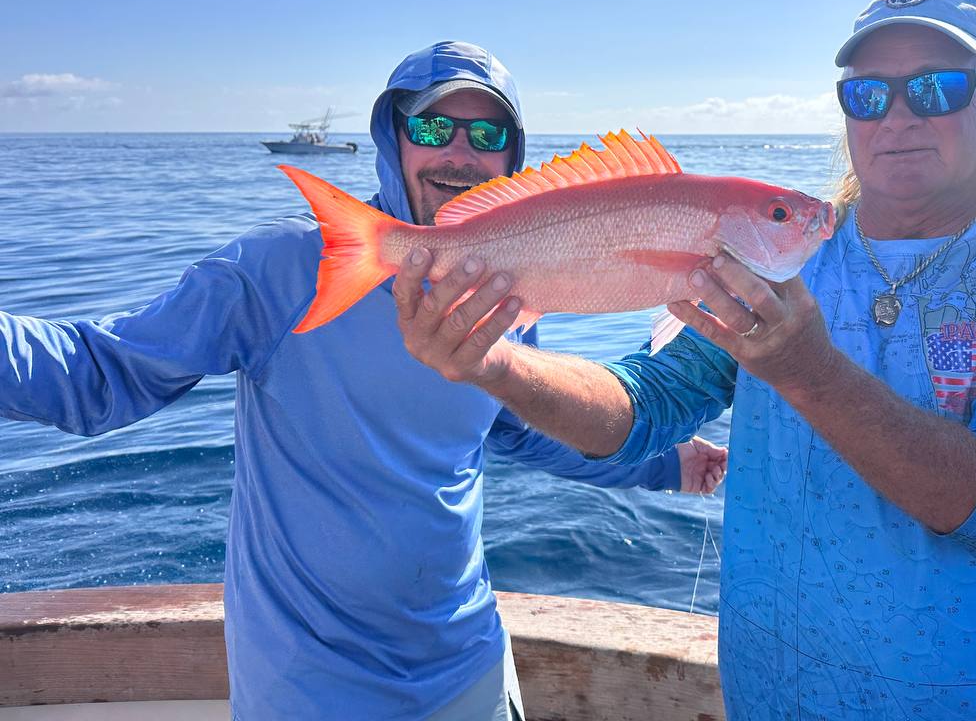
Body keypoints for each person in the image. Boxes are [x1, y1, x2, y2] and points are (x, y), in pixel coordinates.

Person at [391, 0, 976, 719]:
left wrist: (807, 370)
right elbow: (646, 407)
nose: (899, 116)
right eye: (869, 95)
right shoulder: (779, 260)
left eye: (938, 87)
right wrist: (497, 366)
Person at [0, 40, 728, 721]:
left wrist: (664, 462)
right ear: (393, 139)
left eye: (487, 135)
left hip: (463, 660)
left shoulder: (509, 290)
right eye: (435, 129)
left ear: (515, 154)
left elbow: (509, 429)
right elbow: (100, 373)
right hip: (308, 686)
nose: (462, 153)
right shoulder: (283, 268)